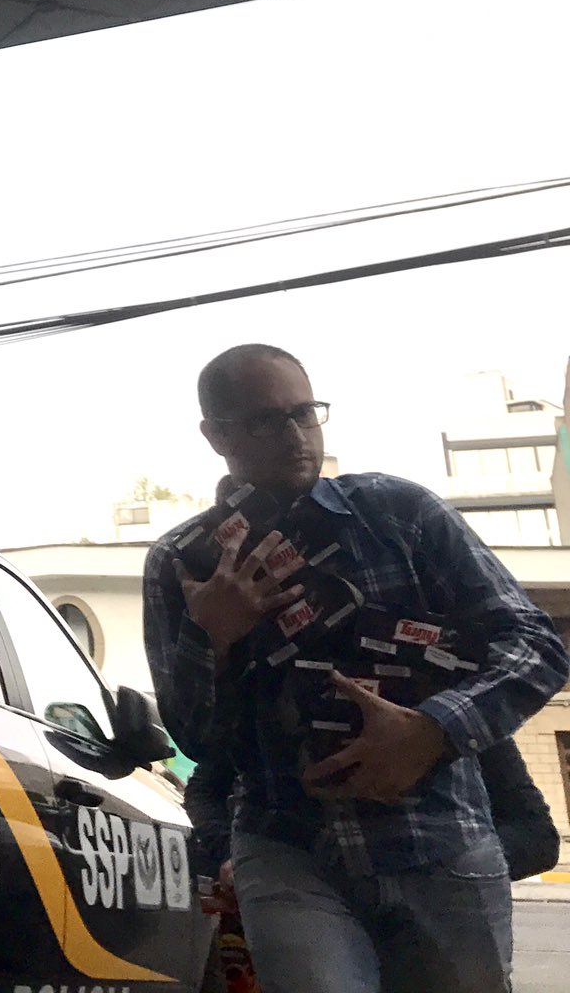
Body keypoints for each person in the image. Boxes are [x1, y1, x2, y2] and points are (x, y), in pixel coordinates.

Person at [144, 344, 569, 993]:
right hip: (286, 850)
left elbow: (538, 646)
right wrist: (212, 638)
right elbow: (199, 742)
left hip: (438, 839)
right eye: (267, 421)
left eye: (305, 413)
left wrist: (432, 730)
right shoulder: (182, 560)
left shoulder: (400, 514)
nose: (295, 436)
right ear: (216, 435)